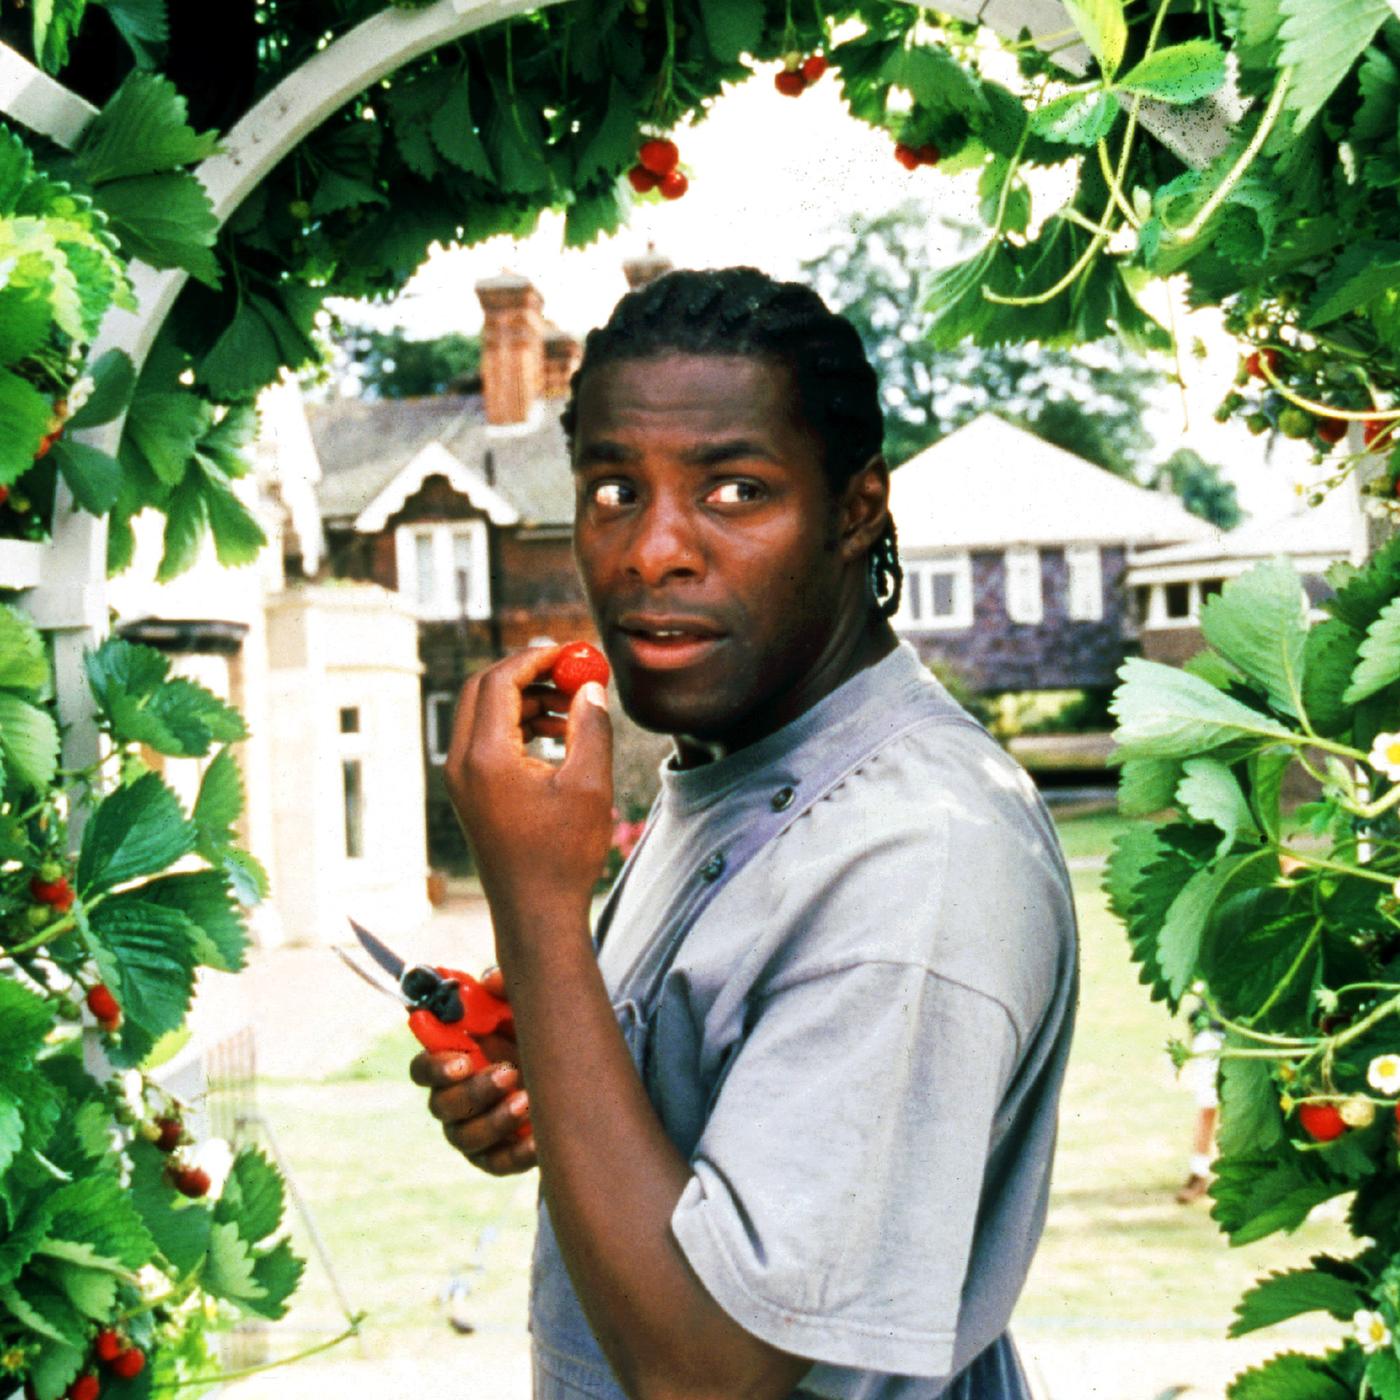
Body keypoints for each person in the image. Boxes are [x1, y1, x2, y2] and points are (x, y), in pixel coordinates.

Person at [410, 268, 1079, 1400]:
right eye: (613, 489)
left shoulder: (918, 852)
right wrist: (558, 1068)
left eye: (733, 490)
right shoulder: (738, 766)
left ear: (855, 510)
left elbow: (709, 1373)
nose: (651, 550)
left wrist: (533, 907)